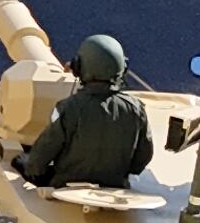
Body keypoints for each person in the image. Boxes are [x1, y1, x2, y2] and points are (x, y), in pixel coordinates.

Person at [17, 34, 152, 187]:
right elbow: (142, 157)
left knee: (19, 160)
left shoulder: (68, 108)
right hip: (115, 184)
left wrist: (32, 167)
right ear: (122, 69)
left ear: (79, 68)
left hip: (66, 183)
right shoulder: (136, 109)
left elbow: (45, 149)